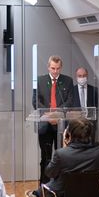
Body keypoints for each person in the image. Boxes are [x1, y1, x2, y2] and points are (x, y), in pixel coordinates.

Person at [31, 55, 73, 188]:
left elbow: (70, 101)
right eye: (53, 68)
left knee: (62, 157)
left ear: (61, 68)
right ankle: (43, 187)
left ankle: (60, 185)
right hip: (45, 124)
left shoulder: (67, 81)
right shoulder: (39, 80)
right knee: (46, 157)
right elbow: (35, 101)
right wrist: (49, 115)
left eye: (58, 68)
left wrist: (58, 114)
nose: (55, 71)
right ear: (48, 67)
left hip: (61, 125)